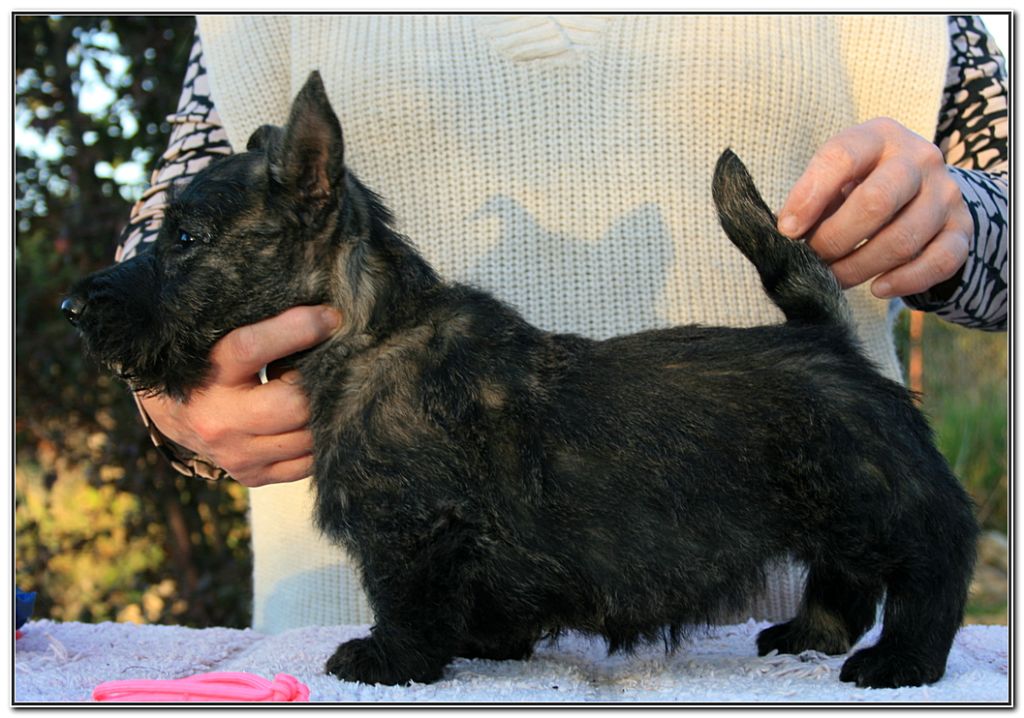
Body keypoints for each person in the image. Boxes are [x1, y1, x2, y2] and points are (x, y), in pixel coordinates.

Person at [115, 14, 1007, 634]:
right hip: (364, 638)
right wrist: (174, 404)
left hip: (786, 652)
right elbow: (165, 249)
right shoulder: (243, 22)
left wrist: (964, 222)